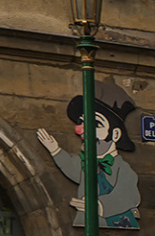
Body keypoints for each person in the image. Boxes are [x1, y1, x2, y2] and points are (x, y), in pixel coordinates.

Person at [37, 85, 142, 228]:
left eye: (96, 124)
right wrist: (55, 150)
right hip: (86, 223)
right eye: (82, 123)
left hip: (115, 221)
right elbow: (72, 168)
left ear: (115, 134)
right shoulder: (85, 163)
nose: (83, 131)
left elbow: (130, 195)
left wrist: (98, 205)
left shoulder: (122, 168)